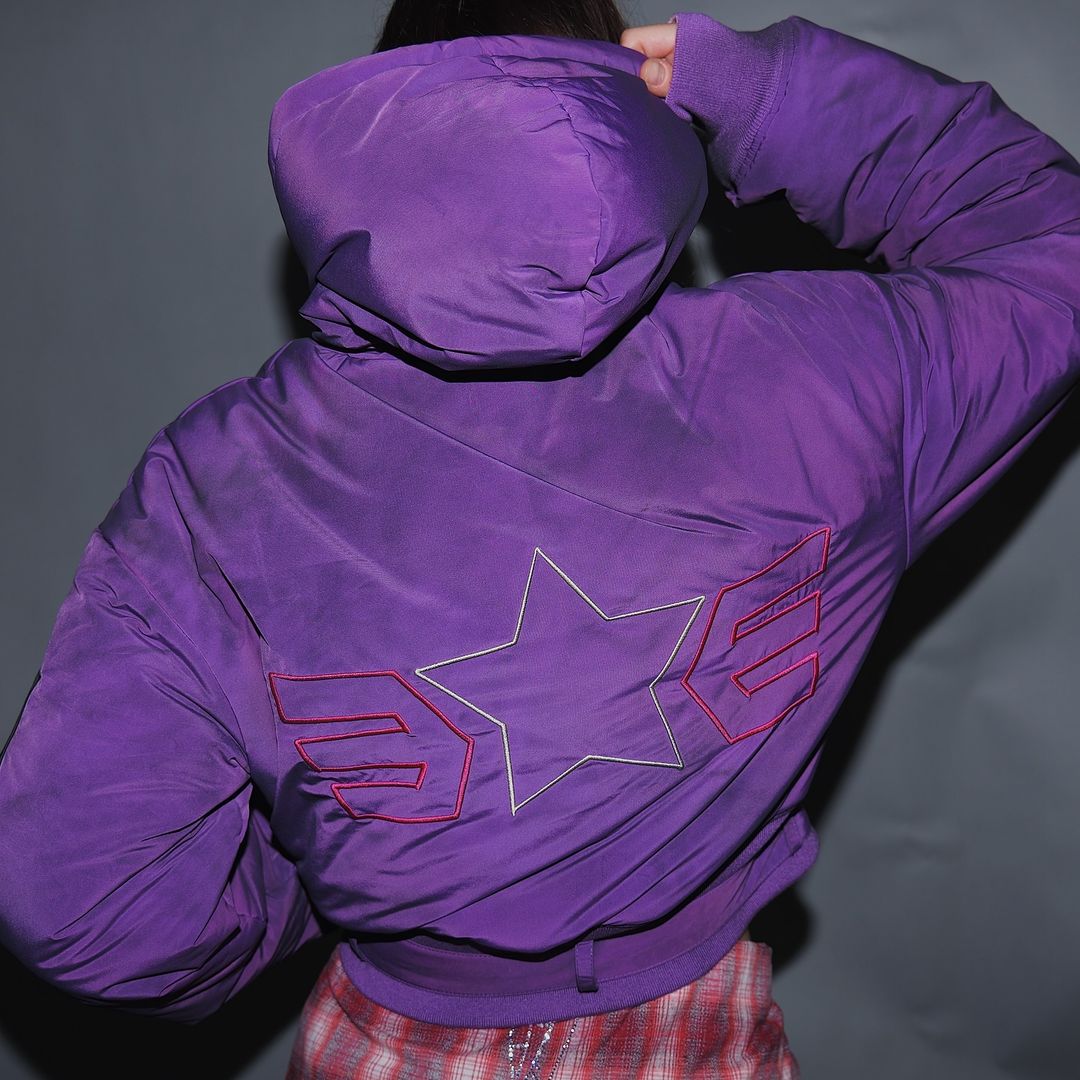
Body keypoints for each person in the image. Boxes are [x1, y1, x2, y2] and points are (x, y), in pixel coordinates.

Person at [1, 0, 1078, 1076]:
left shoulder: (216, 485)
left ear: (384, 120)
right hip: (699, 1045)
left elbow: (76, 897)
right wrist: (771, 98)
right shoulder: (822, 380)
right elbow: (1055, 246)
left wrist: (335, 868)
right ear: (624, 104)